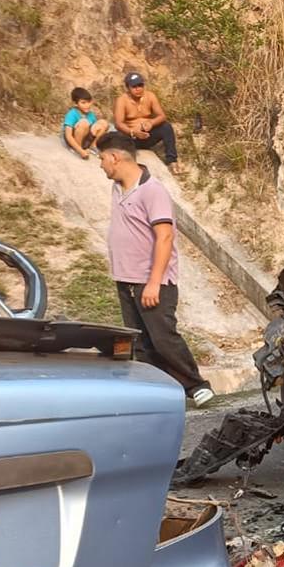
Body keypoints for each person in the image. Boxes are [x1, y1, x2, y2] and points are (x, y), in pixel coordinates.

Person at [96, 131, 214, 407]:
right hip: (126, 279)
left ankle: (197, 386)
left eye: (102, 158)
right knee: (142, 344)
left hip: (151, 281)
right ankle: (160, 394)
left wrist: (153, 282)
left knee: (163, 339)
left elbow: (165, 237)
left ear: (115, 157)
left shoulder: (153, 190)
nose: (101, 164)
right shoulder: (118, 188)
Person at [113, 73, 183, 175]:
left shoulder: (150, 96)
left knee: (166, 127)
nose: (138, 89)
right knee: (117, 136)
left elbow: (162, 116)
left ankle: (172, 161)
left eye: (140, 85)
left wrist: (151, 122)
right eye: (134, 86)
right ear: (128, 88)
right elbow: (118, 124)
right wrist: (133, 132)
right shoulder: (122, 100)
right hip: (132, 138)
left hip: (147, 135)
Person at [62, 87, 110, 159]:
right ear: (76, 103)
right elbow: (68, 136)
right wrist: (80, 151)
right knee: (84, 122)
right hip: (73, 140)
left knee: (103, 123)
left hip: (85, 140)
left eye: (89, 102)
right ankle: (78, 149)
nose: (87, 105)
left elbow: (95, 129)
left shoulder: (90, 114)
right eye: (83, 103)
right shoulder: (72, 114)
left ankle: (93, 147)